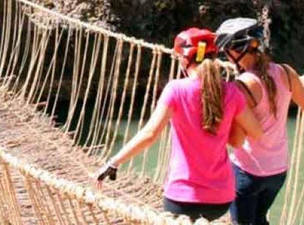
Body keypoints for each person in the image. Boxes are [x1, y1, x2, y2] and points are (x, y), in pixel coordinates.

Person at [96, 28, 263, 221]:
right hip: (220, 198)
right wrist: (230, 120)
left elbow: (150, 134)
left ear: (185, 59)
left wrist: (114, 163)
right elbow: (256, 132)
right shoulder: (232, 92)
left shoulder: (175, 90)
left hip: (182, 196)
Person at [215, 18, 304, 225]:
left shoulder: (241, 86)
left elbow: (237, 141)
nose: (226, 57)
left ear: (236, 51)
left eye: (226, 50)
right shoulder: (286, 71)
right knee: (260, 219)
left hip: (247, 172)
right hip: (278, 171)